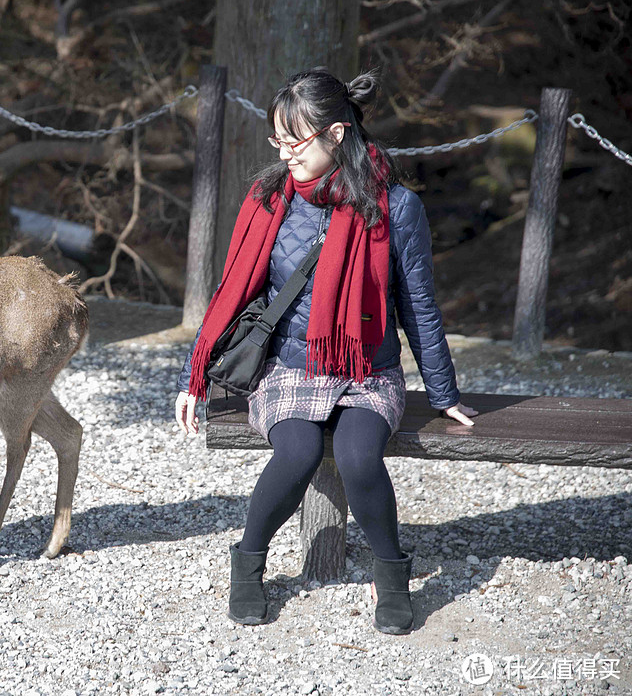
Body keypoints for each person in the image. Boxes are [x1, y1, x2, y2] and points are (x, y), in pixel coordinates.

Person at [173, 67, 478, 634]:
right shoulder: (271, 198)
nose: (285, 153)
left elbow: (418, 306)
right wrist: (196, 376)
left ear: (337, 134)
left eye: (296, 140)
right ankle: (248, 568)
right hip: (288, 368)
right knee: (297, 454)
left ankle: (392, 579)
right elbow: (233, 291)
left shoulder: (396, 206)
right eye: (278, 140)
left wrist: (443, 393)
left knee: (361, 459)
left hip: (367, 369)